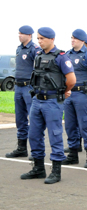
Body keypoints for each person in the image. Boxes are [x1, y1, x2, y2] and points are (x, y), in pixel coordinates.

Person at [21, 27, 76, 184]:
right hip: (37, 100)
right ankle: (38, 169)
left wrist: (64, 91)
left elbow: (71, 79)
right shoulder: (38, 55)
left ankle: (56, 171)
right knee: (34, 134)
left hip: (52, 101)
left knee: (55, 135)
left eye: (42, 38)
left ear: (52, 39)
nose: (39, 41)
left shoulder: (61, 57)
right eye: (38, 38)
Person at [61, 29, 87, 168]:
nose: (72, 40)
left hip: (83, 94)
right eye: (71, 38)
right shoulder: (67, 54)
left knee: (85, 125)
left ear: (82, 41)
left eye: (75, 38)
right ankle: (73, 154)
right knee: (70, 125)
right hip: (70, 94)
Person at [6, 25, 41, 159]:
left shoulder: (34, 49)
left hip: (28, 87)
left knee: (33, 118)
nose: (19, 35)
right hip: (18, 87)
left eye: (21, 33)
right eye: (18, 33)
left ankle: (35, 150)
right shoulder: (19, 48)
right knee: (20, 119)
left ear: (29, 35)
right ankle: (21, 148)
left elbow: (38, 68)